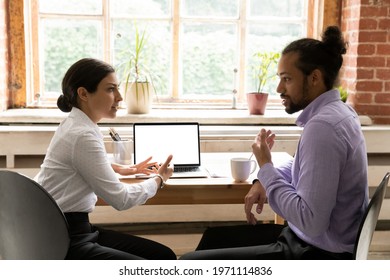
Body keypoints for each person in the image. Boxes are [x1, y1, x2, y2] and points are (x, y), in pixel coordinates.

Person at [180, 26, 368, 260]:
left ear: (315, 78)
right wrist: (264, 178)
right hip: (314, 241)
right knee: (212, 239)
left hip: (317, 252)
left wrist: (266, 168)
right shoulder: (341, 113)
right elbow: (308, 169)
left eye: (287, 79)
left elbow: (310, 222)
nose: (279, 89)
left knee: (190, 262)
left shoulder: (323, 128)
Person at [34, 58, 177, 260]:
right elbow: (121, 199)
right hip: (66, 238)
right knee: (160, 261)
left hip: (64, 228)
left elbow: (72, 163)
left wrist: (117, 169)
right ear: (83, 93)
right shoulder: (82, 134)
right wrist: (159, 179)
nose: (119, 97)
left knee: (162, 255)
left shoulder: (75, 124)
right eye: (111, 90)